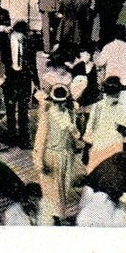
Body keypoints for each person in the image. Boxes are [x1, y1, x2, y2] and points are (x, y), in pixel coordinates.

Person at [33, 84, 82, 224]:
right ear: (53, 101)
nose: (60, 104)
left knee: (64, 188)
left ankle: (59, 215)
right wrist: (39, 161)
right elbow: (40, 141)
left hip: (66, 155)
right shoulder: (47, 116)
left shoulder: (69, 114)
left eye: (62, 102)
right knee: (51, 190)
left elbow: (76, 135)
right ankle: (53, 219)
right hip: (50, 156)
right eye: (57, 102)